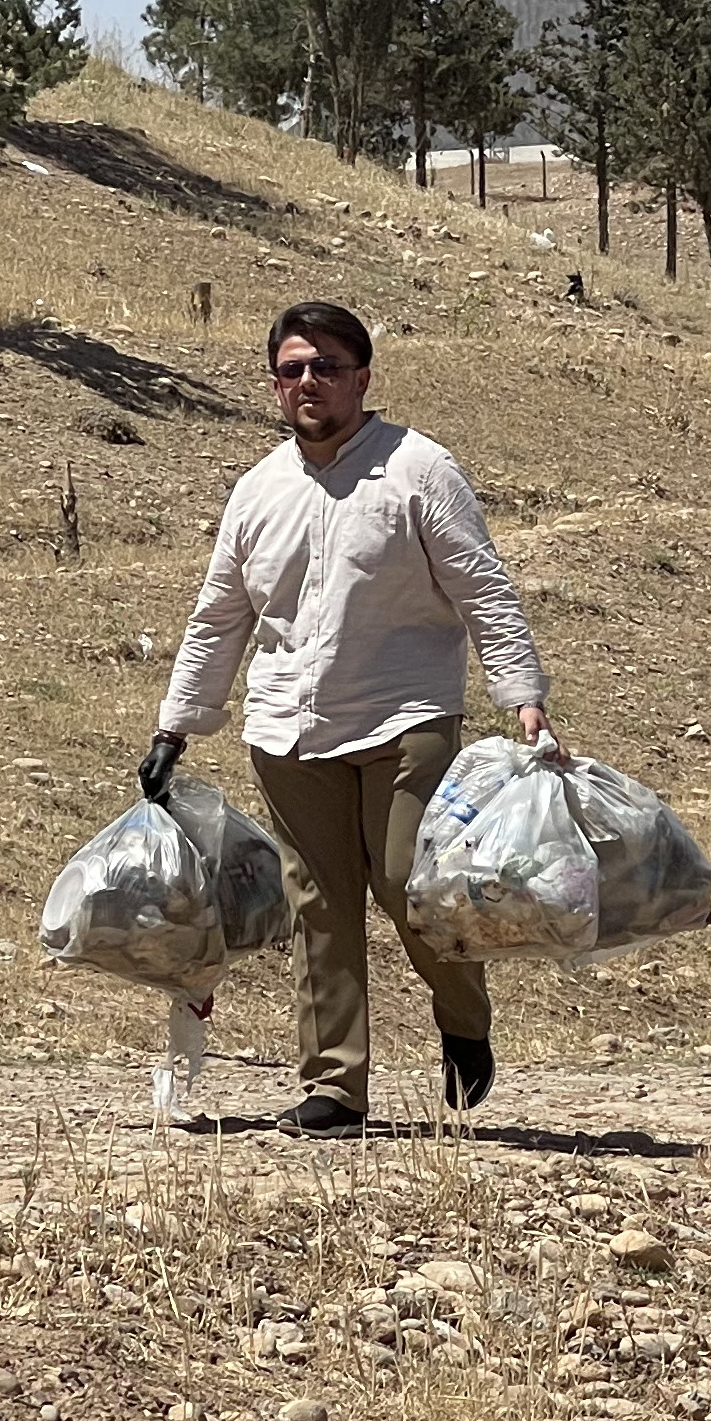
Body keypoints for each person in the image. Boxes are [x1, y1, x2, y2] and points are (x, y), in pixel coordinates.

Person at [148, 300, 553, 1137]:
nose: (309, 383)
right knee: (319, 905)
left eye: (326, 367)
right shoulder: (258, 492)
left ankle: (463, 1018)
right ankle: (334, 1087)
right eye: (292, 369)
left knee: (411, 883)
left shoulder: (419, 470)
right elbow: (219, 617)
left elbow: (483, 590)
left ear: (361, 378)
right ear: (275, 383)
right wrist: (175, 726)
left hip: (406, 715)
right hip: (288, 729)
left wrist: (522, 694)